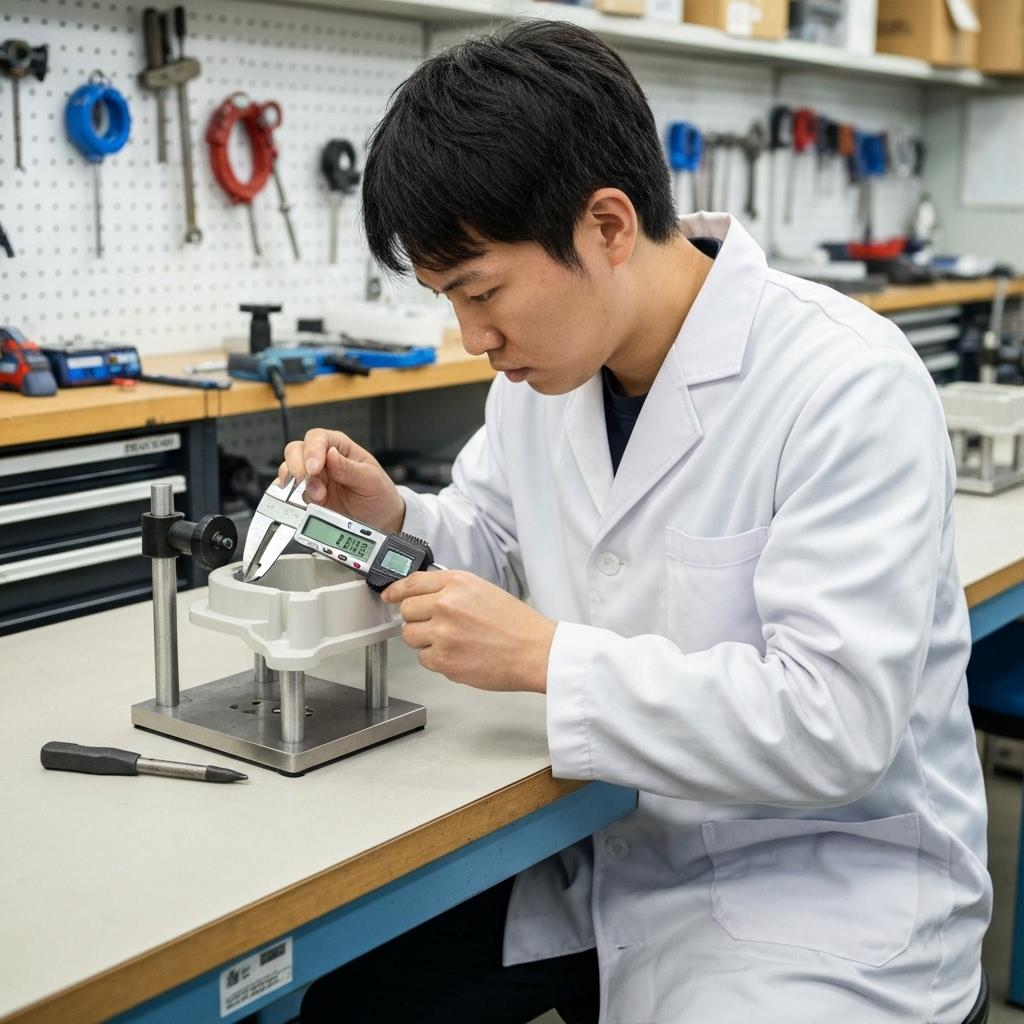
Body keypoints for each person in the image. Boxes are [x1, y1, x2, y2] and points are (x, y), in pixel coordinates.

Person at [294, 20, 991, 1024]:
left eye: (480, 290)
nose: (472, 337)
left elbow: (835, 726)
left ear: (609, 227)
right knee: (347, 1003)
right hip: (604, 844)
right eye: (448, 298)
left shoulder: (845, 383)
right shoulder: (542, 380)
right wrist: (387, 517)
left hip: (819, 889)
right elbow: (479, 548)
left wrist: (550, 658)